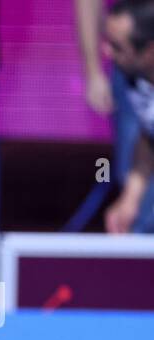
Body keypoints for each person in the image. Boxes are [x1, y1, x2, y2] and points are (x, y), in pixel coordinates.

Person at [79, 0, 154, 232]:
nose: (107, 52)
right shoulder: (137, 77)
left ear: (150, 52)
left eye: (117, 46)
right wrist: (130, 199)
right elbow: (149, 135)